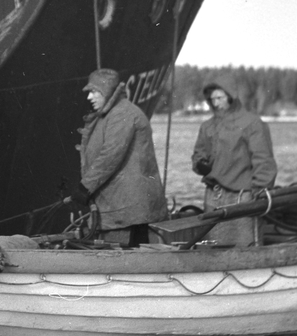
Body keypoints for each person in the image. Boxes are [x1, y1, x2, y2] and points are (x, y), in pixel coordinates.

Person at [68, 68, 168, 246]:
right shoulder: (111, 114)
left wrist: (85, 187)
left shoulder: (122, 114)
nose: (89, 97)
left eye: (94, 92)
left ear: (106, 91)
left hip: (127, 209)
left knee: (125, 254)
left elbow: (110, 155)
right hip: (122, 207)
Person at [191, 79, 277, 244]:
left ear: (231, 97)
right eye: (212, 99)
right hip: (213, 196)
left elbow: (264, 161)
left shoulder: (252, 123)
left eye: (220, 98)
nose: (216, 103)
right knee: (214, 247)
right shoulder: (207, 126)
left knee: (246, 246)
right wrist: (200, 164)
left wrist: (259, 193)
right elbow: (198, 154)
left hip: (242, 198)